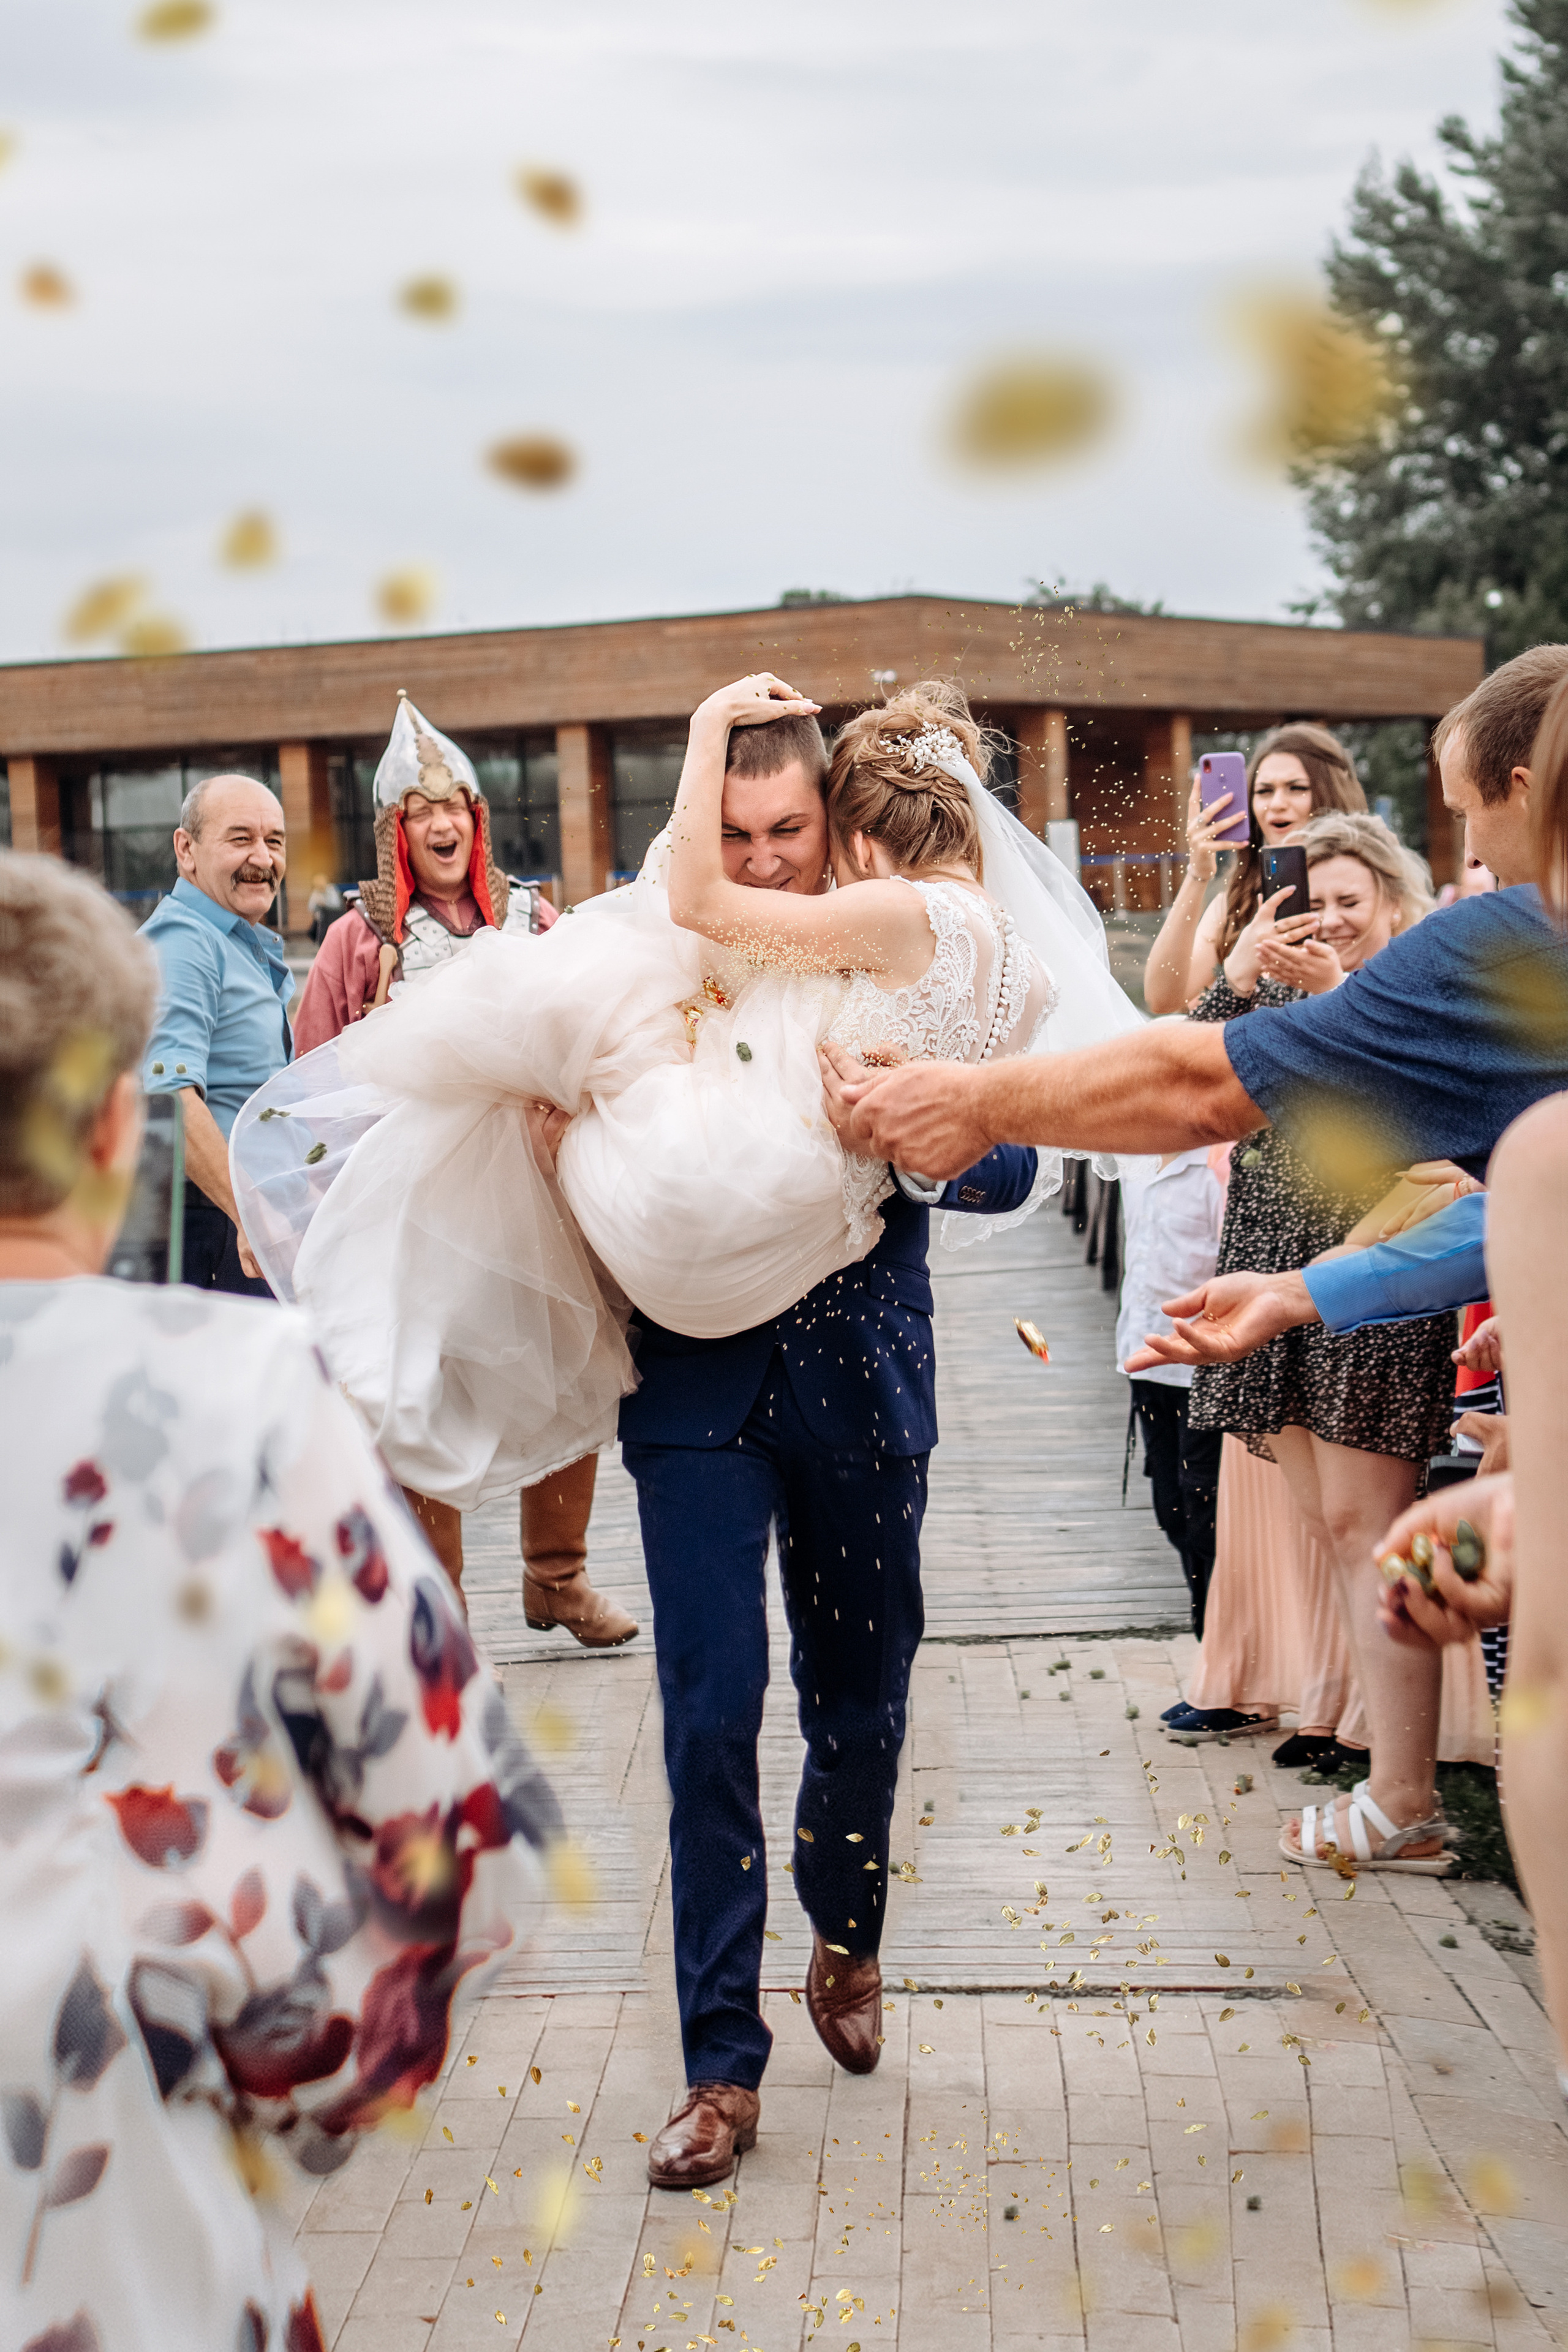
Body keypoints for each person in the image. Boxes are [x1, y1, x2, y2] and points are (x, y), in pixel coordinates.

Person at [233, 672, 1143, 2188]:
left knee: (861, 1695)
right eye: (738, 828)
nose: (766, 856)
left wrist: (918, 1125)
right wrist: (563, 1148)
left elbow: (998, 1178)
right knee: (708, 1714)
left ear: (833, 823)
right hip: (690, 1392)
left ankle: (843, 1930)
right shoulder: (641, 936)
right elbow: (562, 1133)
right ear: (701, 816)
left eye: (789, 828)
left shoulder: (892, 942)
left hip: (861, 1373)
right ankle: (718, 2064)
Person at [830, 643, 1568, 1867]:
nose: (1472, 861)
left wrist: (972, 1098)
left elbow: (1188, 1081)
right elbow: (1508, 1213)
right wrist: (1301, 1290)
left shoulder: (1501, 946)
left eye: (1470, 822)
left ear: (1527, 785)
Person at [0, 852, 554, 2352]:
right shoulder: (229, 1388)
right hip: (113, 2213)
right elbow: (465, 1853)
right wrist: (280, 2062)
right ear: (118, 1125)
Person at [289, 696, 628, 1646]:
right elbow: (316, 1073)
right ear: (397, 828)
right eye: (421, 813)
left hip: (536, 1196)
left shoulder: (532, 918)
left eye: (458, 810)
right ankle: (443, 1612)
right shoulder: (359, 939)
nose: (443, 825)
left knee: (575, 1366)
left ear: (477, 820)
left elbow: (584, 1032)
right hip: (415, 1212)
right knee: (421, 1389)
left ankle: (556, 1577)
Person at [139, 771, 291, 1295]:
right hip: (214, 1226)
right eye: (241, 838)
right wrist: (248, 1216)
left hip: (238, 1221)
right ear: (187, 850)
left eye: (274, 841)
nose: (264, 859)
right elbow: (167, 1094)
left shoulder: (229, 939)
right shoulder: (185, 940)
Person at [1143, 723, 1366, 1014]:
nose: (1276, 804)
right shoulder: (1237, 903)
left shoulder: (1369, 891)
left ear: (1332, 792)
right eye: (1264, 791)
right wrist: (1198, 874)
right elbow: (1162, 1000)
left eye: (1296, 788)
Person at [1115, 1140, 1227, 1644]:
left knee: (1203, 1502)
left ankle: (1215, 1638)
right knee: (1169, 1504)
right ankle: (1204, 1622)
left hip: (1199, 1367)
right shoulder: (1133, 1162)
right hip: (1143, 1358)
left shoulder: (1212, 1173)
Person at [306, 871, 342, 944]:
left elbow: (337, 904)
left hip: (332, 917)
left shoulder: (332, 890)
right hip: (320, 919)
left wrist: (324, 903)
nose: (319, 885)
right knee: (312, 933)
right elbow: (310, 907)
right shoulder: (316, 893)